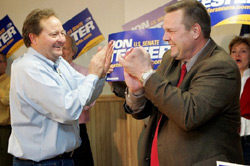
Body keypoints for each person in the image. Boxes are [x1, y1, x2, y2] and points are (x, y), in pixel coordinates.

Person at [118, 0, 244, 165]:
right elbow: (150, 108)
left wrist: (145, 74)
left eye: (170, 31)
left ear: (195, 31)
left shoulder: (221, 66)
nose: (165, 38)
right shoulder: (169, 60)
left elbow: (189, 115)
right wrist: (137, 92)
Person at [8, 8, 113, 166]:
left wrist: (100, 74)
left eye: (62, 33)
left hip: (64, 159)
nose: (61, 39)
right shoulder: (28, 68)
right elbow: (69, 110)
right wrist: (93, 74)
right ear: (33, 38)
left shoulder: (59, 62)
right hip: (40, 163)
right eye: (53, 34)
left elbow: (87, 95)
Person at [62, 34, 94, 166]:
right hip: (57, 130)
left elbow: (89, 102)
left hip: (78, 129)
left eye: (65, 48)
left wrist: (66, 103)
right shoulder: (48, 73)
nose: (61, 52)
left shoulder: (85, 72)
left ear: (73, 51)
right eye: (58, 47)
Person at [229, 36, 250, 165]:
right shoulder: (224, 81)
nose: (238, 54)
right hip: (230, 141)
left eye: (243, 51)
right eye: (234, 51)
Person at [0, 52, 12, 166]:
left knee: (4, 161)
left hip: (3, 129)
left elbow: (7, 100)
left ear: (5, 64)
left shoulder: (11, 81)